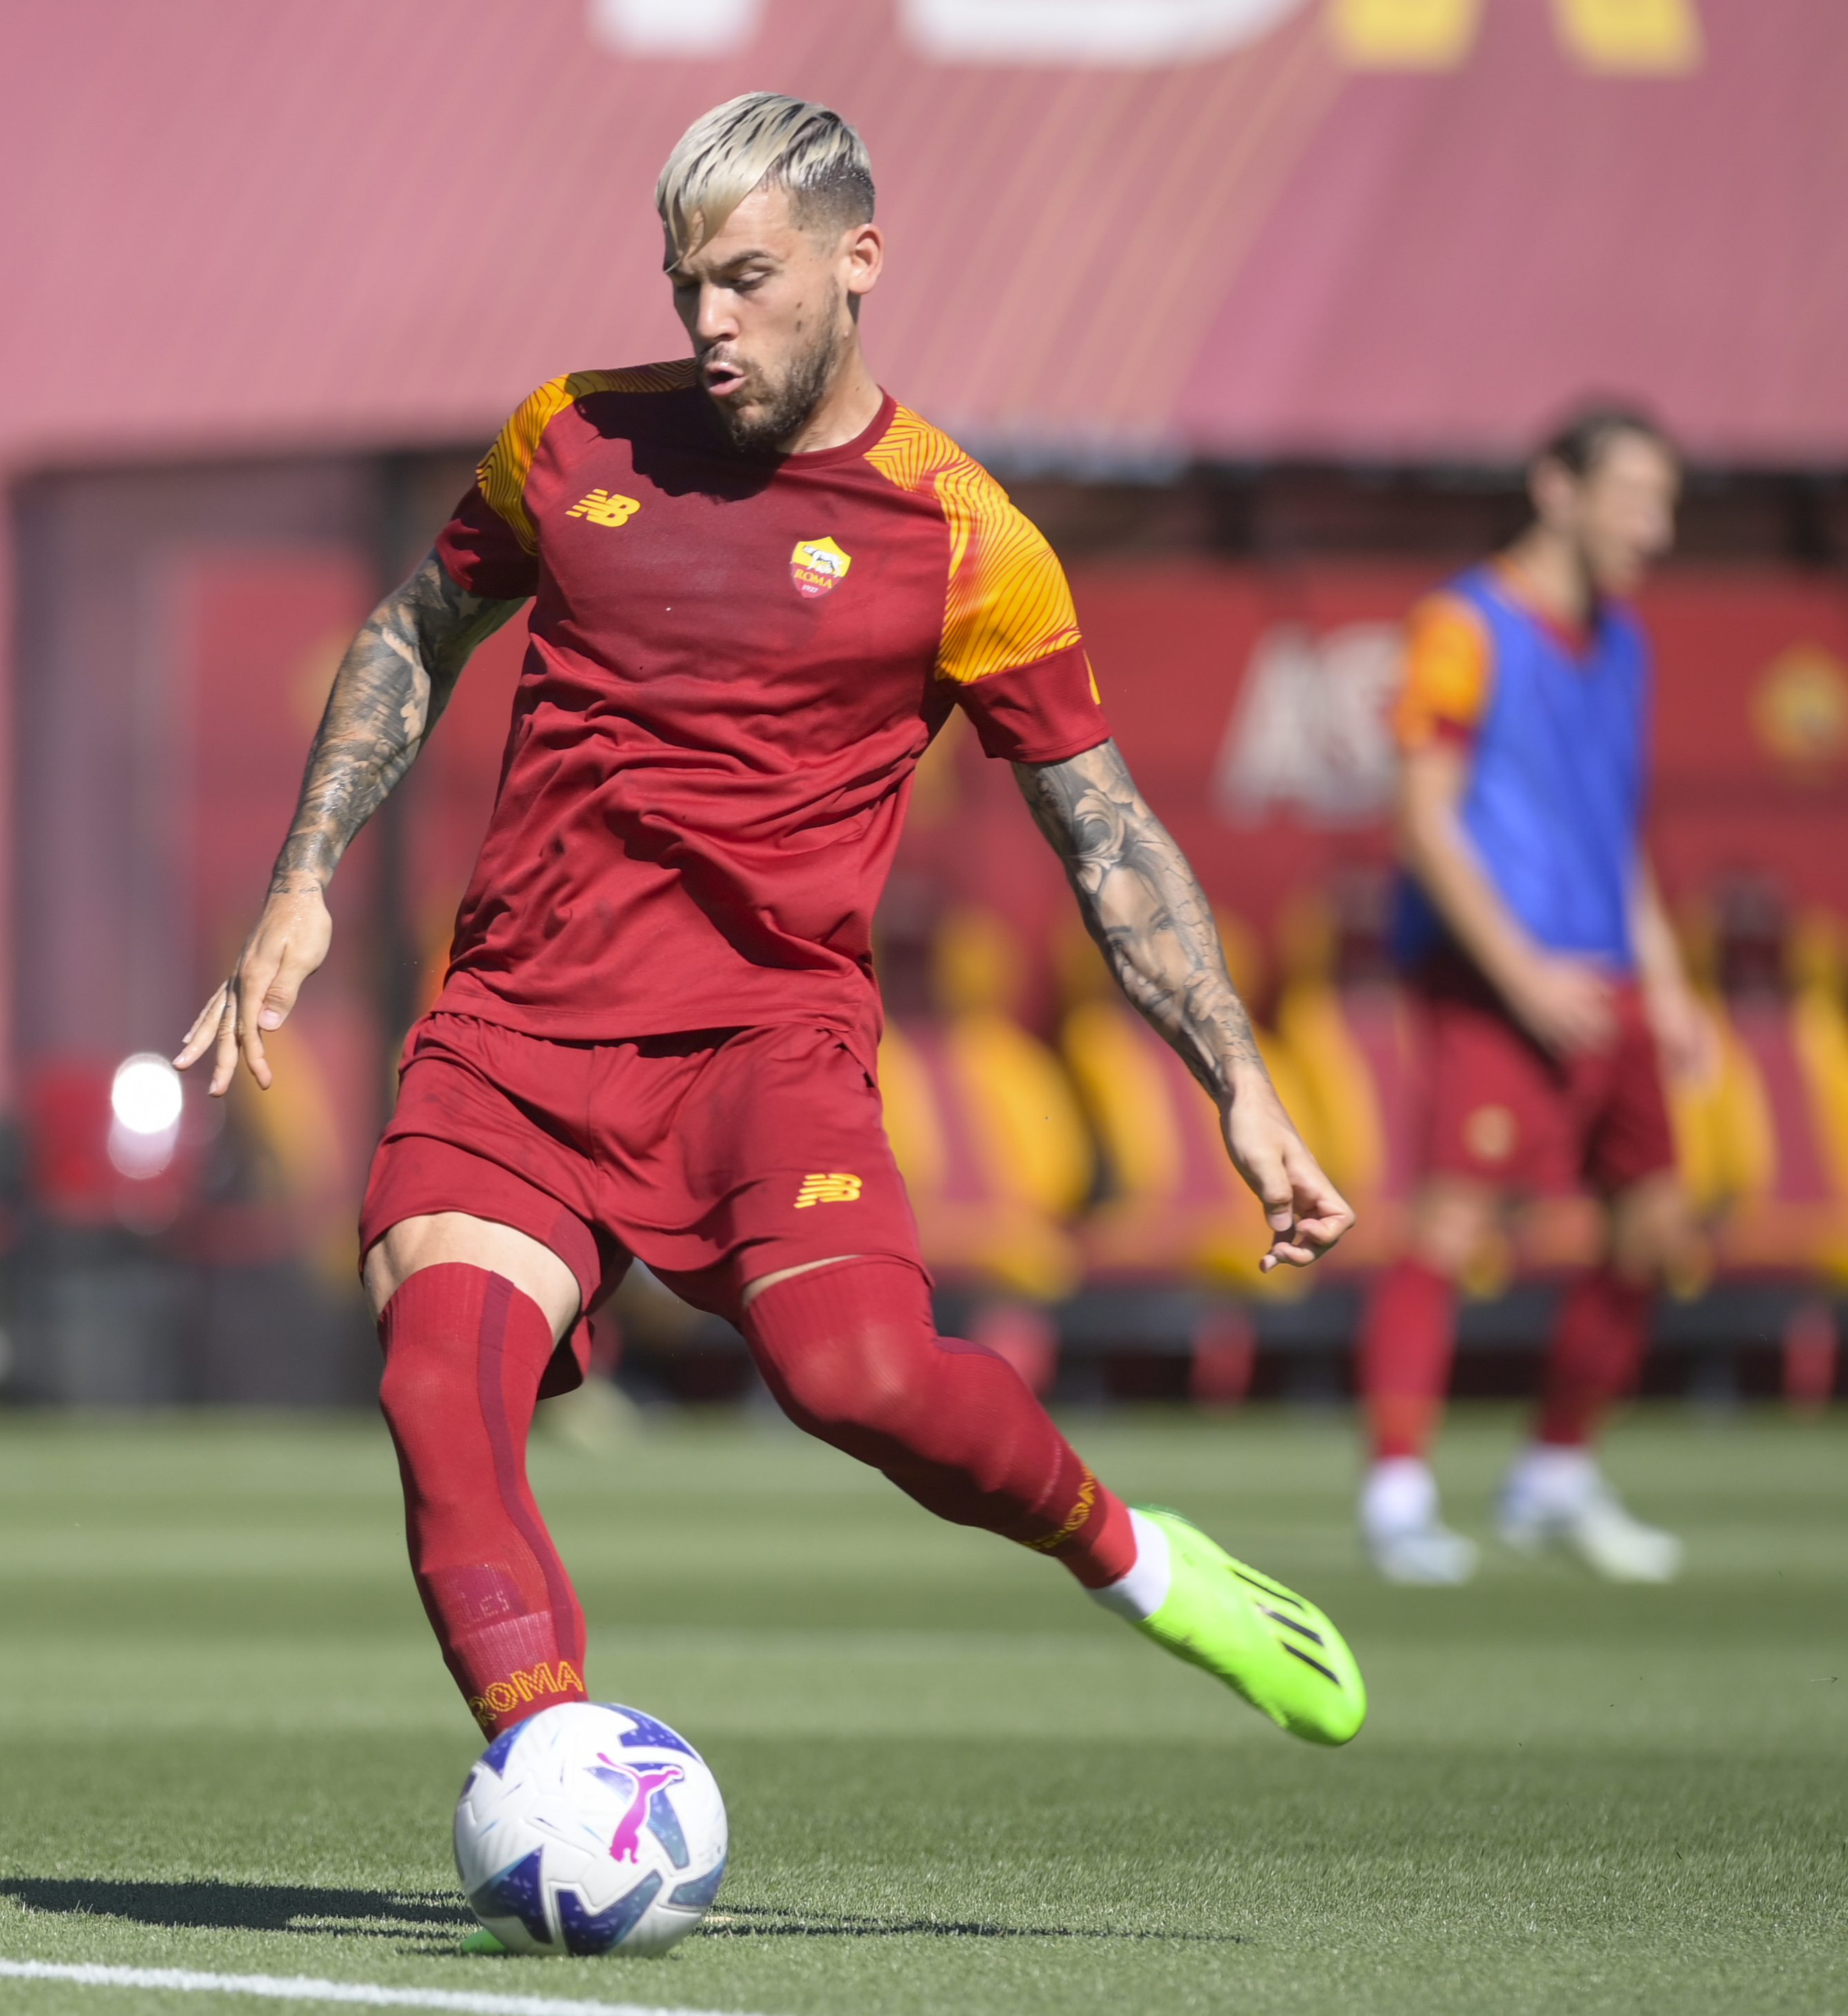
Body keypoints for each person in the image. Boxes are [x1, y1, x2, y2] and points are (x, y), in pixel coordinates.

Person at [174, 94, 1366, 1756]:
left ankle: (1142, 1561)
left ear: (859, 258)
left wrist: (1233, 1079)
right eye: (685, 286)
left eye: (747, 278)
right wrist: (302, 874)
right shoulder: (566, 439)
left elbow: (1103, 837)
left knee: (857, 1378)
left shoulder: (967, 538)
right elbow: (412, 626)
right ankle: (559, 1766)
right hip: (512, 1037)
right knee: (439, 1385)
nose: (709, 323)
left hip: (761, 1053)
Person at [1352, 408, 1701, 1585]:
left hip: (1609, 983)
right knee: (1454, 1228)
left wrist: (1668, 984)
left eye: (1666, 502)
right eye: (1636, 496)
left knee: (1653, 1229)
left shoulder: (1628, 642)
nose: (1656, 526)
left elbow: (1616, 838)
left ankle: (1554, 1472)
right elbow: (1423, 816)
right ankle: (1397, 1493)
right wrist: (1521, 973)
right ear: (1558, 489)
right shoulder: (1463, 626)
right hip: (1497, 981)